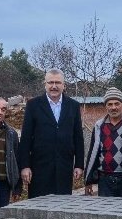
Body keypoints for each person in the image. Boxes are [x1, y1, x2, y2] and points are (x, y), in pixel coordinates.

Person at [19, 69, 85, 198]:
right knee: (38, 206)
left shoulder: (73, 106)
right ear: (45, 84)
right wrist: (25, 166)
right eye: (50, 82)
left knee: (62, 206)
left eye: (58, 82)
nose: (54, 86)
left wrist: (79, 165)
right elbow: (26, 138)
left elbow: (78, 137)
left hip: (64, 168)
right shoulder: (33, 105)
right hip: (39, 168)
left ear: (64, 85)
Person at [83, 87, 122, 198]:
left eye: (117, 104)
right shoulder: (99, 126)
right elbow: (93, 153)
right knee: (105, 209)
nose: (113, 107)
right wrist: (88, 180)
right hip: (105, 180)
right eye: (110, 104)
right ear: (106, 106)